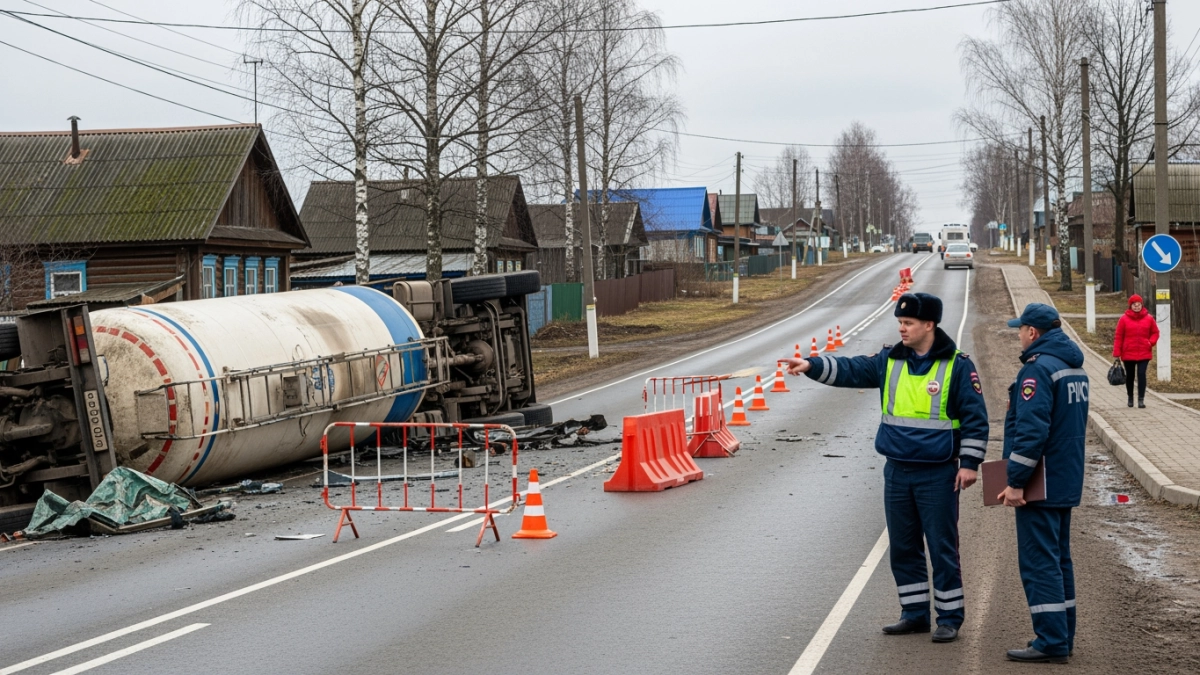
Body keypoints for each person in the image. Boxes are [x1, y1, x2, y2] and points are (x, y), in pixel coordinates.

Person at [786, 292, 989, 644]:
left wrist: (969, 464)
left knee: (942, 547)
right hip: (896, 469)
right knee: (903, 546)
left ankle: (950, 618)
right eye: (900, 323)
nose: (902, 329)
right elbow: (853, 369)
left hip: (938, 471)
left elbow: (976, 419)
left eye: (908, 323)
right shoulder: (890, 359)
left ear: (929, 325)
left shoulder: (958, 365)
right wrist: (811, 366)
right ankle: (913, 614)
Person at [999, 303, 1088, 664]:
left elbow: (1032, 432)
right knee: (1059, 559)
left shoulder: (1037, 372)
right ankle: (1062, 635)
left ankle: (1050, 641)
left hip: (1042, 482)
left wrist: (1016, 481)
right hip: (1065, 478)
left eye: (1020, 329)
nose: (1018, 335)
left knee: (1040, 563)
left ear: (1033, 333)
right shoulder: (1073, 367)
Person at [1112, 294, 1158, 408]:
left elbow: (1155, 332)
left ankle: (1141, 399)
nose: (1137, 307)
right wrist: (1117, 353)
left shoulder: (1149, 318)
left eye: (1139, 305)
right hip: (1128, 352)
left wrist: (1150, 342)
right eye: (1134, 305)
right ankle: (1130, 397)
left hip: (1144, 352)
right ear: (1130, 306)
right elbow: (1118, 336)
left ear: (1142, 305)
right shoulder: (1123, 319)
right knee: (1130, 376)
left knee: (1141, 374)